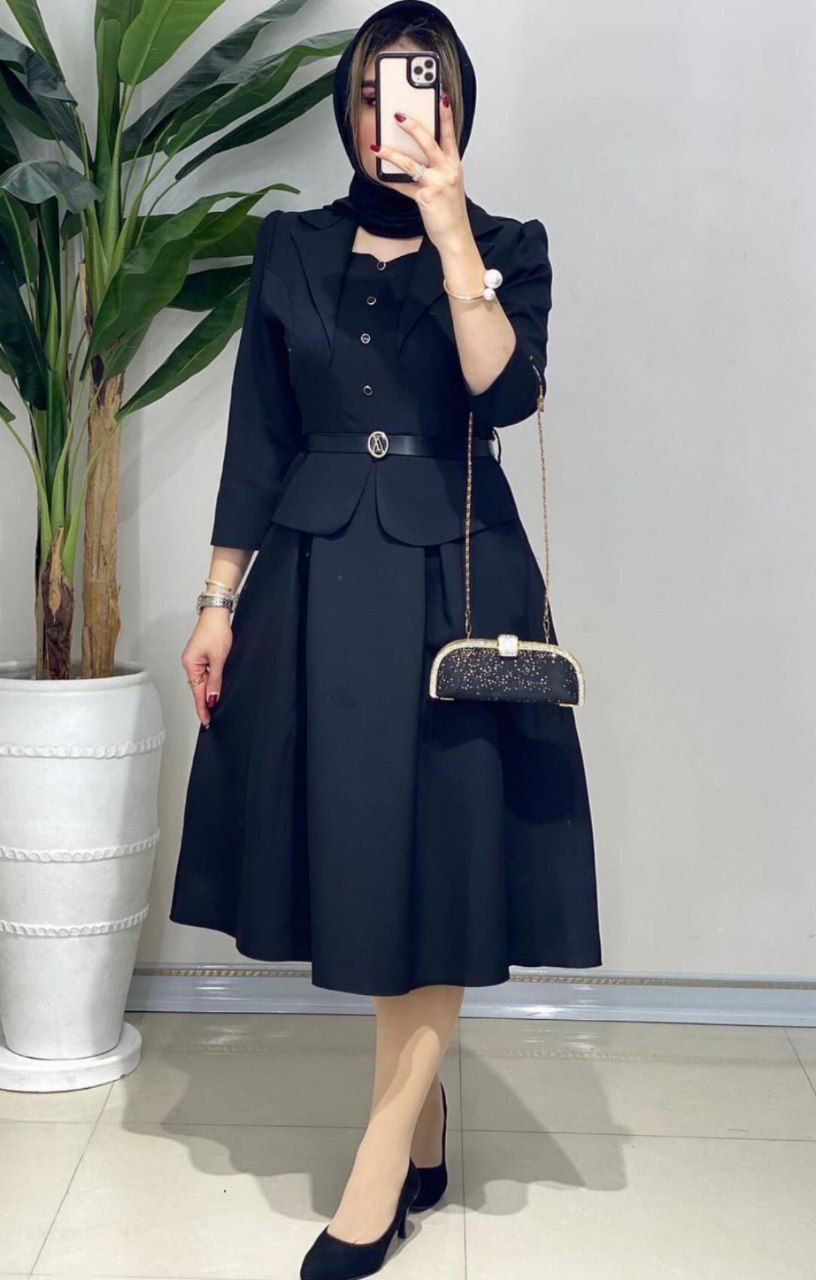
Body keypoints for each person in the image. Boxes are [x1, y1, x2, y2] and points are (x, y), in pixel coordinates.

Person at [170, 2, 602, 1275]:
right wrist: (216, 598)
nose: (388, 116)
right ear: (343, 108)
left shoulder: (508, 244)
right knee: (364, 859)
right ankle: (418, 1124)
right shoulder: (290, 245)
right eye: (367, 93)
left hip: (453, 589)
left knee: (445, 859)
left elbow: (504, 391)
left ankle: (379, 1166)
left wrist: (453, 227)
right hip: (314, 581)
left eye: (414, 89)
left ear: (455, 104)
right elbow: (258, 433)